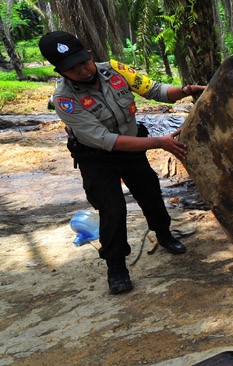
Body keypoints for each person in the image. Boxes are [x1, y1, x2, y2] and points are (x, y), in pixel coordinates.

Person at [38, 31, 206, 295]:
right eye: (72, 68)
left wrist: (184, 91)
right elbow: (105, 140)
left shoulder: (115, 70)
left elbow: (154, 89)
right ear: (60, 71)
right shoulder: (64, 100)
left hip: (132, 147)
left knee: (150, 192)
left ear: (89, 54)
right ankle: (116, 268)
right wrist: (158, 142)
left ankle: (164, 235)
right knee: (112, 209)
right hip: (97, 157)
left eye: (84, 62)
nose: (82, 70)